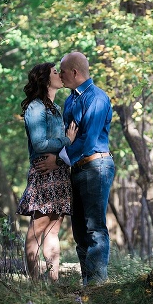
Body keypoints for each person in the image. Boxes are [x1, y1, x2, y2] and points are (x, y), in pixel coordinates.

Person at [17, 62, 78, 282]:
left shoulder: (56, 108)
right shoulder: (35, 107)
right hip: (44, 172)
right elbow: (40, 144)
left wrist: (65, 150)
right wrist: (67, 140)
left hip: (59, 172)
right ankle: (33, 283)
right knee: (37, 229)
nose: (60, 75)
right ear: (45, 79)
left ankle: (53, 283)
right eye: (55, 72)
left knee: (53, 230)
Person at [58, 51, 115, 285]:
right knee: (79, 229)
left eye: (62, 71)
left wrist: (60, 159)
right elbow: (66, 136)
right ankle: (87, 282)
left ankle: (97, 285)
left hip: (95, 166)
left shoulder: (97, 98)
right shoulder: (70, 99)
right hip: (77, 168)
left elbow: (88, 140)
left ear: (74, 72)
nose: (59, 75)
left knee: (94, 227)